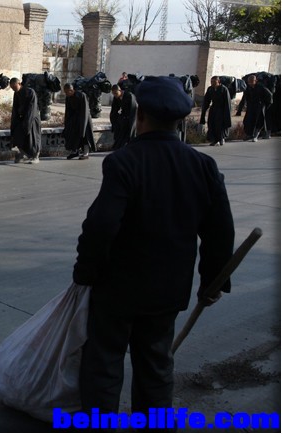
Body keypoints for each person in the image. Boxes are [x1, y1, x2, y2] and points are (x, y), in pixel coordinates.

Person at [74, 76, 235, 421]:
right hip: (167, 291)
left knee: (104, 365)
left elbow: (101, 225)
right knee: (156, 366)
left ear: (140, 115)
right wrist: (213, 281)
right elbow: (220, 231)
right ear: (180, 120)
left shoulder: (124, 162)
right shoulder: (202, 165)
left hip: (118, 289)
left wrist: (86, 272)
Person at [9, 77, 41, 164]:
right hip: (22, 118)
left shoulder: (30, 92)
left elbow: (32, 108)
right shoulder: (16, 94)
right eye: (12, 88)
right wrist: (14, 122)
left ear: (19, 84)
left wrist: (27, 123)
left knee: (33, 138)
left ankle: (35, 156)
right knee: (18, 134)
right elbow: (15, 108)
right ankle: (23, 155)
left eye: (14, 87)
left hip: (32, 118)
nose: (14, 89)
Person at [62, 83, 95, 160]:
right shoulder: (68, 97)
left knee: (85, 135)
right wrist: (67, 122)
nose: (66, 94)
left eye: (67, 92)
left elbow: (85, 110)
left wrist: (83, 125)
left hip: (84, 118)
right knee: (73, 134)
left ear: (71, 90)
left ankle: (86, 153)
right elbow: (68, 111)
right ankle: (75, 151)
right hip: (75, 118)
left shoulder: (82, 95)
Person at [236, 74, 273, 142]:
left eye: (251, 81)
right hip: (251, 107)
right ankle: (249, 134)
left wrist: (266, 106)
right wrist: (239, 110)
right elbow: (244, 99)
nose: (250, 83)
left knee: (258, 121)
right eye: (249, 82)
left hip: (259, 107)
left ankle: (255, 136)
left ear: (255, 81)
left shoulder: (261, 87)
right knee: (247, 120)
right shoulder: (248, 88)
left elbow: (269, 96)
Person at [200, 76, 232, 146]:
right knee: (211, 124)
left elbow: (227, 103)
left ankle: (221, 138)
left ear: (219, 82)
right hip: (213, 108)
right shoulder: (210, 89)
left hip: (222, 109)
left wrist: (226, 114)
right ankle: (214, 140)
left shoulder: (224, 89)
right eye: (211, 82)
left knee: (220, 125)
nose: (212, 83)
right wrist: (204, 111)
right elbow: (206, 101)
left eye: (214, 82)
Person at [109, 84, 137, 150]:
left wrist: (130, 122)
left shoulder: (129, 96)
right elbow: (114, 110)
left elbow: (133, 110)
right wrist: (114, 120)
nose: (115, 95)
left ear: (120, 91)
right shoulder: (116, 98)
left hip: (132, 116)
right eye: (113, 94)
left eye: (116, 93)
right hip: (123, 116)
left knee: (128, 133)